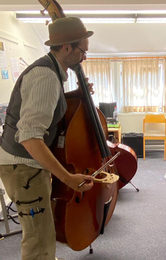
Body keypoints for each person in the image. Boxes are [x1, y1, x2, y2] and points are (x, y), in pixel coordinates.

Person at [0, 17, 95, 260]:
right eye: (82, 50)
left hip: (25, 167)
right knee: (38, 239)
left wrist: (78, 95)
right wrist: (67, 178)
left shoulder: (50, 71)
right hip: (24, 169)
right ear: (66, 47)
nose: (84, 57)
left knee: (41, 231)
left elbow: (48, 109)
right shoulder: (46, 76)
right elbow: (30, 137)